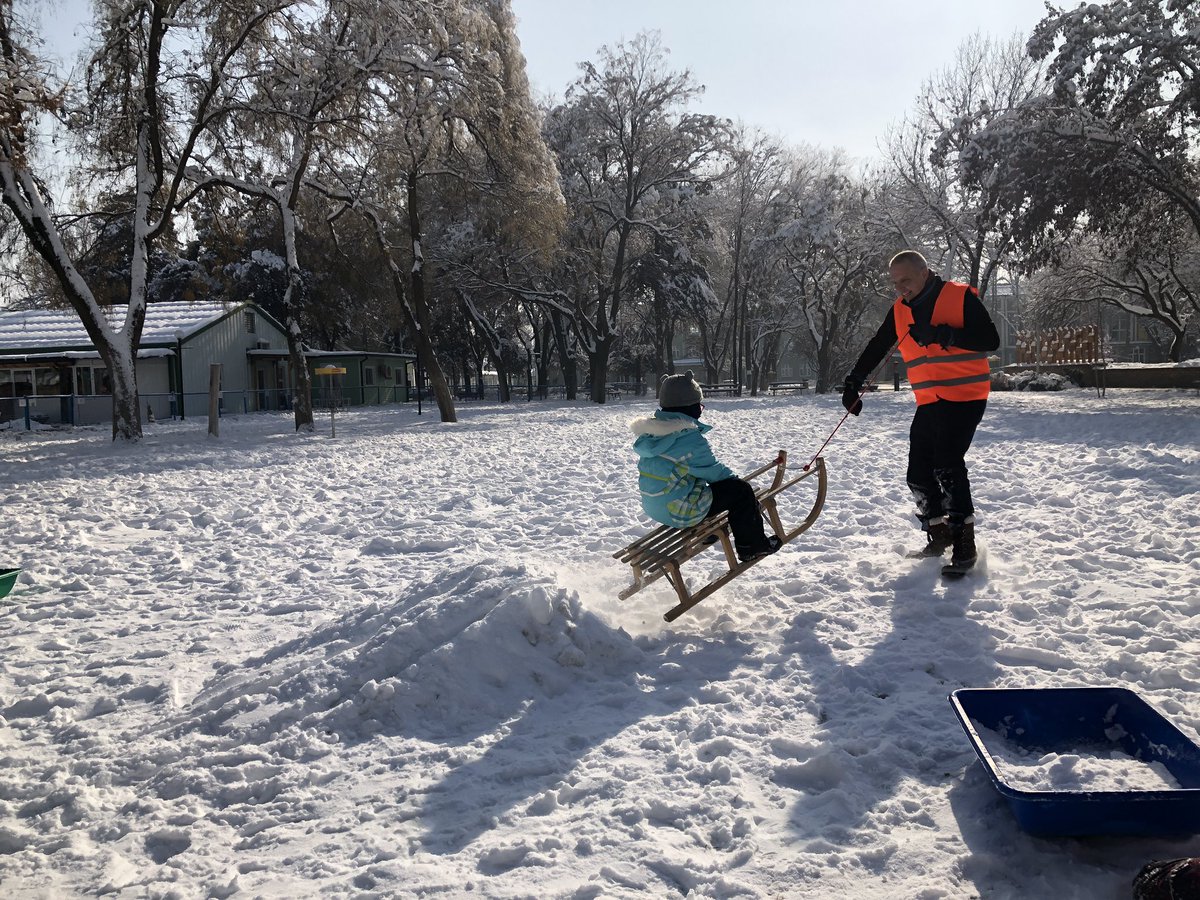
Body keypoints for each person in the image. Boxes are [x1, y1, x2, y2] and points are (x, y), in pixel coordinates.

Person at [841, 250, 999, 569]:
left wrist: (945, 334)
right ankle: (938, 534)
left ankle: (964, 544)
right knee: (917, 473)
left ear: (924, 273)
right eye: (895, 282)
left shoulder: (957, 296)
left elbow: (990, 339)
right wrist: (853, 380)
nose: (900, 288)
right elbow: (878, 344)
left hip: (965, 395)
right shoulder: (900, 309)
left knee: (947, 463)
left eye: (906, 280)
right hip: (930, 400)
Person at [631, 371, 781, 563]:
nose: (701, 410)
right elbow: (715, 472)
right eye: (699, 405)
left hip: (656, 507)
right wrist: (739, 485)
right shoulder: (687, 438)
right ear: (690, 407)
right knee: (740, 491)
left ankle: (704, 525)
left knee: (699, 483)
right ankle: (752, 547)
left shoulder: (651, 435)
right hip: (678, 510)